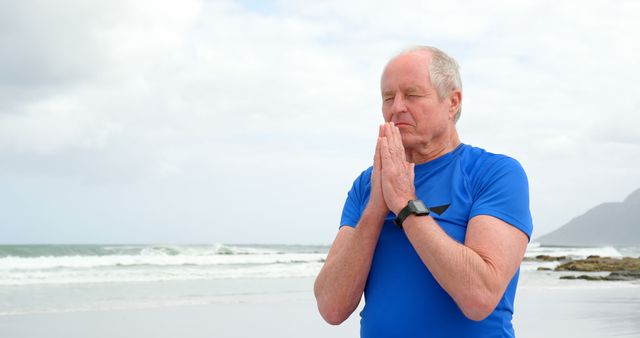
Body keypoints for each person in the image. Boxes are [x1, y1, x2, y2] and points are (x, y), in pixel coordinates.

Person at [314, 46, 533, 338]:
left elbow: (479, 297)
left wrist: (405, 204)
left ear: (453, 102)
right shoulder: (366, 186)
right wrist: (377, 208)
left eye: (412, 95)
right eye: (388, 98)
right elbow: (331, 307)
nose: (397, 107)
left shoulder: (495, 173)